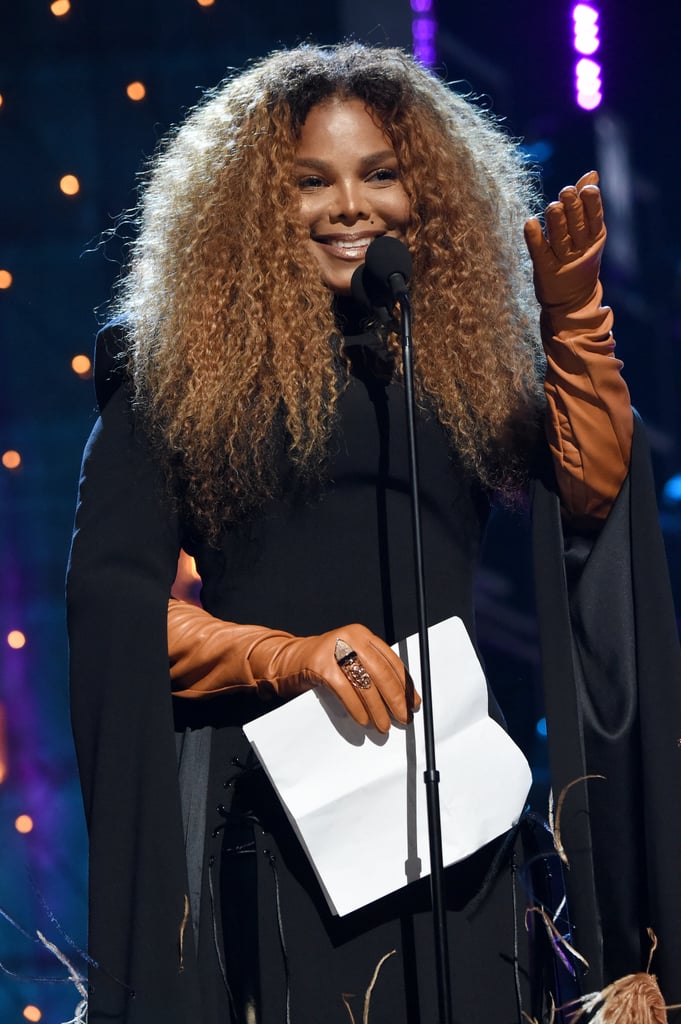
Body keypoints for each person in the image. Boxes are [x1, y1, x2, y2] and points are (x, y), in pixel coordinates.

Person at [66, 43, 681, 1024]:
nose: (349, 204)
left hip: (460, 831)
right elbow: (118, 612)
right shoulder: (172, 381)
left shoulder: (460, 366)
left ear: (424, 194)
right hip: (276, 832)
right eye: (311, 182)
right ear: (261, 207)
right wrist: (290, 655)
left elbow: (596, 500)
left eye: (380, 174)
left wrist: (575, 318)